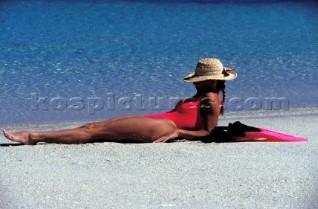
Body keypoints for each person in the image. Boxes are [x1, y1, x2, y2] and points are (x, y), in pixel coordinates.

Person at [2, 58, 237, 145]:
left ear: (212, 81)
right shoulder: (204, 96)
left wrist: (179, 134)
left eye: (200, 79)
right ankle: (36, 136)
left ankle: (34, 136)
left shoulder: (209, 99)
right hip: (158, 121)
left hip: (165, 127)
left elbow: (208, 132)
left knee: (95, 131)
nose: (195, 83)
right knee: (94, 127)